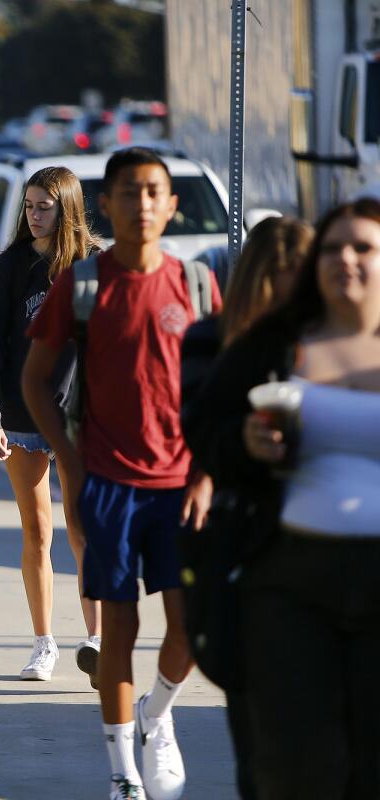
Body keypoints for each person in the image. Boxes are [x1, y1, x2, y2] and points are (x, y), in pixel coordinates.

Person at [21, 148, 221, 800]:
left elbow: (215, 391)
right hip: (108, 484)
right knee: (121, 628)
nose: (141, 204)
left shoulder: (195, 286)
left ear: (171, 205)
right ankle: (122, 773)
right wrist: (73, 466)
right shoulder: (81, 285)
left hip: (181, 488)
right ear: (106, 204)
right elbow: (35, 382)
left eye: (153, 192)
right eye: (128, 193)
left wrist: (207, 474)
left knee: (191, 625)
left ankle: (157, 718)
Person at [185, 199, 380, 800]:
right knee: (296, 767)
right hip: (288, 578)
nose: (343, 258)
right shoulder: (277, 343)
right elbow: (206, 428)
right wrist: (244, 444)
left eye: (363, 247)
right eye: (331, 247)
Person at [178, 215, 312, 800]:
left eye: (297, 276)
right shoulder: (215, 341)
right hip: (252, 553)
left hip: (333, 557)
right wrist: (240, 445)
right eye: (273, 277)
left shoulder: (342, 347)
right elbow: (202, 430)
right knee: (259, 744)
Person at [0, 166, 102, 684]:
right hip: (22, 418)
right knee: (36, 530)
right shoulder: (8, 268)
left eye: (44, 205)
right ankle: (43, 643)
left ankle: (94, 640)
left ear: (66, 207)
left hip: (79, 421)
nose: (34, 214)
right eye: (28, 205)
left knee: (82, 528)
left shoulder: (93, 266)